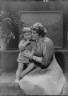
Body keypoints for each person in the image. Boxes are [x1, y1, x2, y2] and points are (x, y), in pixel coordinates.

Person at [18, 22, 67, 95]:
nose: (31, 34)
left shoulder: (47, 42)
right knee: (25, 81)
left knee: (39, 84)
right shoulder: (35, 41)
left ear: (40, 33)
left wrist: (31, 56)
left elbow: (45, 62)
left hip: (51, 70)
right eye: (31, 32)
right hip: (40, 68)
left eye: (34, 33)